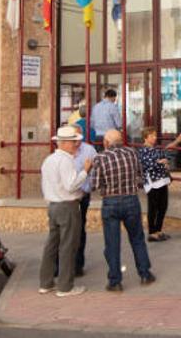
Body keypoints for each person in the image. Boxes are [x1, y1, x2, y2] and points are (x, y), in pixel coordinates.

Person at [91, 130, 155, 291]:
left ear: (106, 143)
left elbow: (94, 184)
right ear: (121, 140)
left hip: (111, 201)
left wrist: (106, 188)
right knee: (137, 239)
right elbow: (141, 177)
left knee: (112, 243)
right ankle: (145, 274)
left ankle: (115, 281)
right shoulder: (132, 153)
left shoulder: (100, 158)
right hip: (131, 199)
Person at [39, 126, 90, 297]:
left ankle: (46, 282)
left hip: (53, 205)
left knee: (51, 245)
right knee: (68, 246)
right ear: (65, 143)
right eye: (74, 142)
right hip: (67, 206)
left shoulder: (49, 160)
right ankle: (65, 286)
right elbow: (71, 185)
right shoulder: (66, 161)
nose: (77, 144)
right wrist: (85, 172)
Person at [137, 127, 171, 243]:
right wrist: (161, 163)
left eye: (155, 135)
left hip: (163, 181)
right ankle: (152, 232)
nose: (155, 138)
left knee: (163, 206)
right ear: (145, 137)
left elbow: (165, 160)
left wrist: (162, 162)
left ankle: (158, 230)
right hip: (152, 183)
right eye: (152, 136)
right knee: (153, 208)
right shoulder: (142, 151)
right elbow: (149, 165)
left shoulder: (157, 149)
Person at [71, 124, 97, 276]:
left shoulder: (89, 150)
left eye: (79, 137)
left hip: (82, 196)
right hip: (66, 198)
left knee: (80, 230)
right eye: (74, 137)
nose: (77, 141)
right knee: (65, 231)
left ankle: (78, 265)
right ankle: (59, 266)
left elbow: (96, 170)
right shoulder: (64, 152)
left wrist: (90, 186)